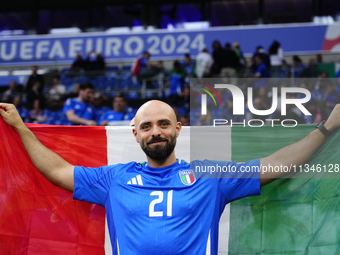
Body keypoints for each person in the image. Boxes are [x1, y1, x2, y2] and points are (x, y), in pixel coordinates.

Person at [1, 99, 340, 254]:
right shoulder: (113, 179)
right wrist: (19, 126)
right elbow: (59, 171)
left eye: (163, 124)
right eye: (146, 126)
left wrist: (328, 128)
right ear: (135, 134)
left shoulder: (209, 175)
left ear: (178, 129)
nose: (156, 132)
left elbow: (275, 164)